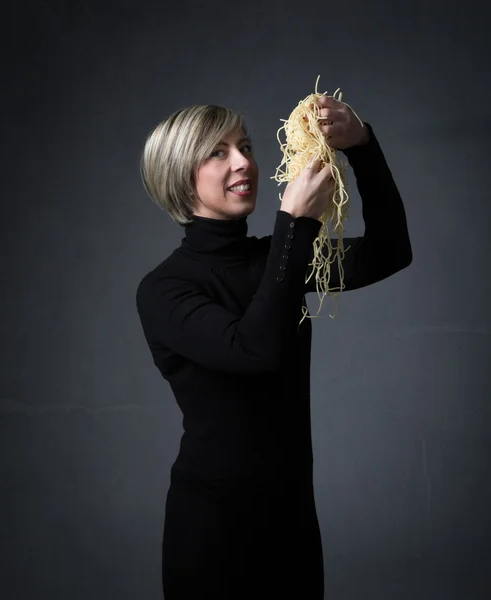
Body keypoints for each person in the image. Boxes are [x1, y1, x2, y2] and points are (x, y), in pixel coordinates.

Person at [135, 98, 412, 600]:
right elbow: (253, 352)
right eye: (218, 153)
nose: (243, 162)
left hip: (292, 525)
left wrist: (363, 147)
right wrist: (296, 223)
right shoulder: (165, 289)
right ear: (180, 176)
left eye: (244, 147)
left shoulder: (275, 255)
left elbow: (391, 250)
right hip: (214, 535)